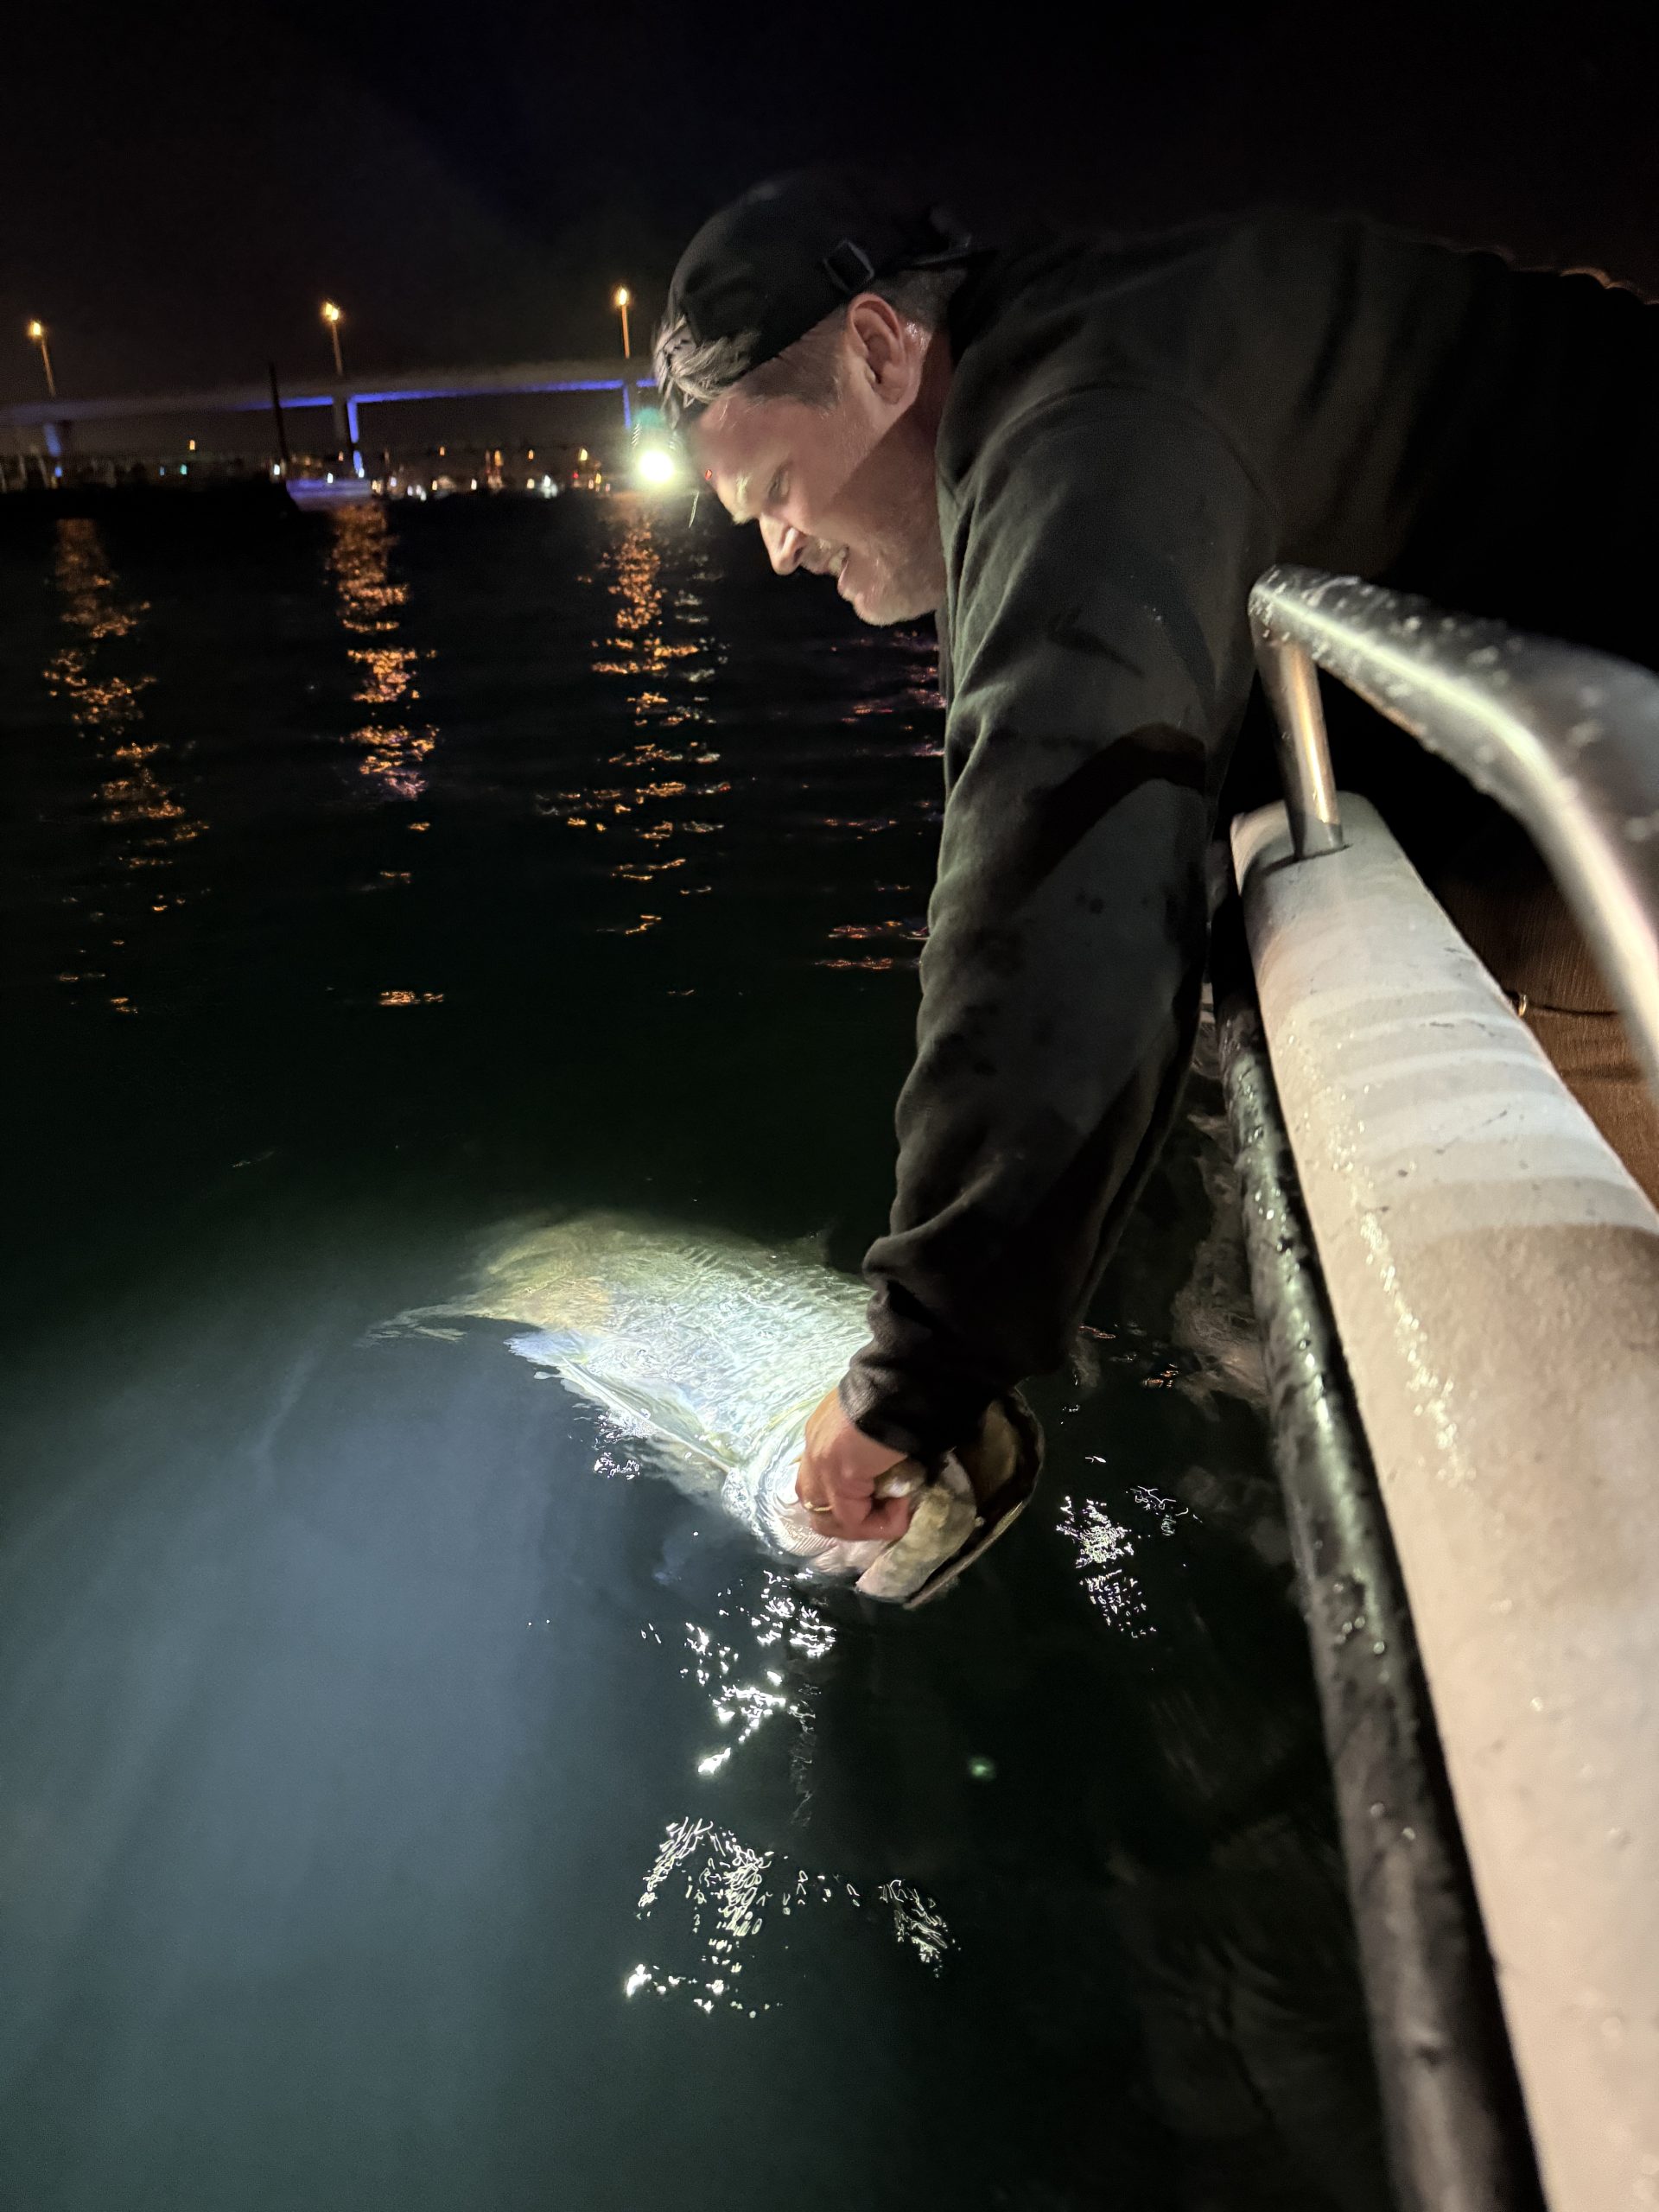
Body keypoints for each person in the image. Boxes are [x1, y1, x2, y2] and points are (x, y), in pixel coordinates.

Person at [653, 168, 1659, 1554]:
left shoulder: (1083, 434)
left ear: (881, 351)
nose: (774, 550)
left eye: (771, 488)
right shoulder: (1083, 351)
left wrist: (917, 1373)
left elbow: (1052, 883)